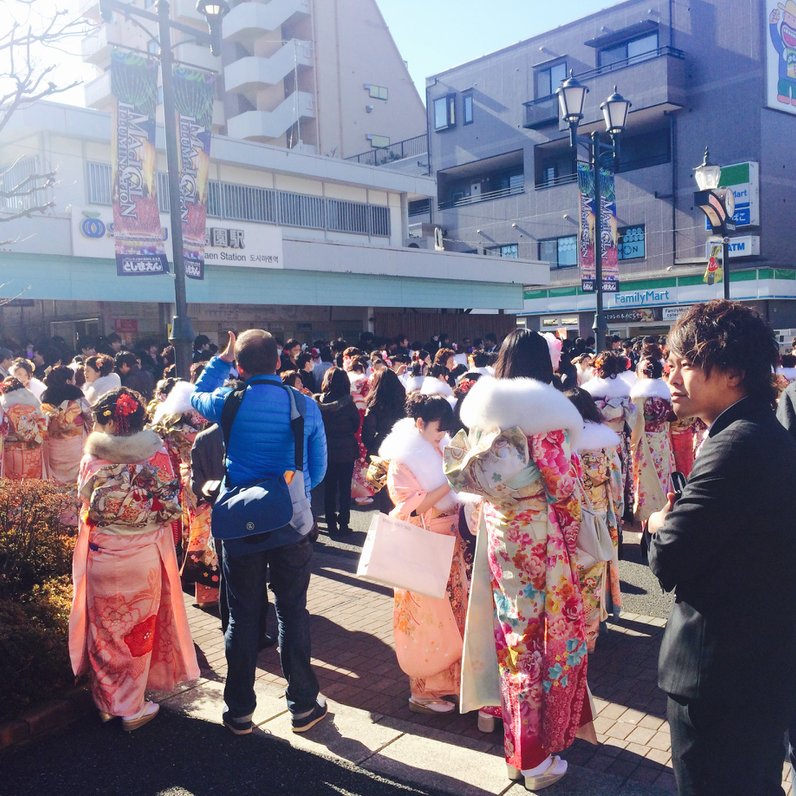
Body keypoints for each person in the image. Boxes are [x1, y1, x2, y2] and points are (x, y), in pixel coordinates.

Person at [648, 300, 796, 795]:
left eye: (684, 363)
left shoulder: (735, 443)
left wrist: (658, 521)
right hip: (754, 665)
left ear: (731, 371)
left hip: (719, 676)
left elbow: (667, 558)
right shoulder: (756, 430)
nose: (670, 375)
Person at [444, 328, 594, 791]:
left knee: (511, 639)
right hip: (541, 540)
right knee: (538, 645)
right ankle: (533, 760)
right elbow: (563, 487)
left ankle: (516, 750)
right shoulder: (543, 414)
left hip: (500, 535)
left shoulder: (484, 415)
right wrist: (575, 539)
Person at [190, 330, 328, 736]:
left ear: (241, 366)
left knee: (243, 615)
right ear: (280, 364)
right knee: (292, 611)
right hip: (290, 523)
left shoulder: (229, 400)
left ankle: (239, 711)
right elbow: (316, 469)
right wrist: (295, 493)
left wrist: (220, 359)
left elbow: (193, 394)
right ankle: (303, 705)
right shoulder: (303, 405)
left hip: (240, 521)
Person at [68, 387, 199, 730]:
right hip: (142, 556)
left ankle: (107, 702)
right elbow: (172, 507)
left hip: (102, 555)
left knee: (104, 631)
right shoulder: (155, 455)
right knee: (137, 629)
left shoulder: (91, 457)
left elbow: (84, 505)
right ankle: (130, 707)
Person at [379, 394, 468, 716]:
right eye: (437, 430)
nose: (442, 435)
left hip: (449, 543)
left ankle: (451, 683)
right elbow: (413, 508)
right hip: (424, 544)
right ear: (419, 423)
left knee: (454, 615)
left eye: (445, 431)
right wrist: (451, 481)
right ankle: (423, 692)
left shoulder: (438, 447)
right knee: (428, 621)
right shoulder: (404, 459)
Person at [566, 387, 623, 652]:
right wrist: (619, 512)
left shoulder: (565, 441)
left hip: (571, 517)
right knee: (593, 579)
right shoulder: (605, 442)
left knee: (569, 577)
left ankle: (570, 633)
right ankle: (590, 636)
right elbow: (617, 481)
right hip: (599, 516)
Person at [630, 350, 675, 527]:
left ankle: (647, 524)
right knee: (662, 480)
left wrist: (633, 444)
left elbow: (638, 422)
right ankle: (662, 518)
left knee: (645, 484)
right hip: (662, 440)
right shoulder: (665, 391)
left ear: (644, 372)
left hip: (646, 442)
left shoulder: (640, 393)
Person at [316, 367, 361, 536]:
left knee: (329, 487)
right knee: (344, 488)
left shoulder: (318, 402)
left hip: (326, 449)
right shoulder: (348, 403)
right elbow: (356, 424)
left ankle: (330, 522)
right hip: (346, 449)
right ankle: (343, 523)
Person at [40, 365, 92, 485]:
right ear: (68, 381)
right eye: (73, 379)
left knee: (56, 475)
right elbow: (89, 414)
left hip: (54, 441)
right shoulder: (75, 393)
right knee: (75, 475)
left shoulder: (45, 395)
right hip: (74, 441)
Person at [0, 376, 48, 479]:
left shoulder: (4, 404)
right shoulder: (33, 401)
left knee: (14, 484)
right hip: (33, 447)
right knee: (33, 482)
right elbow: (44, 423)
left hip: (12, 450)